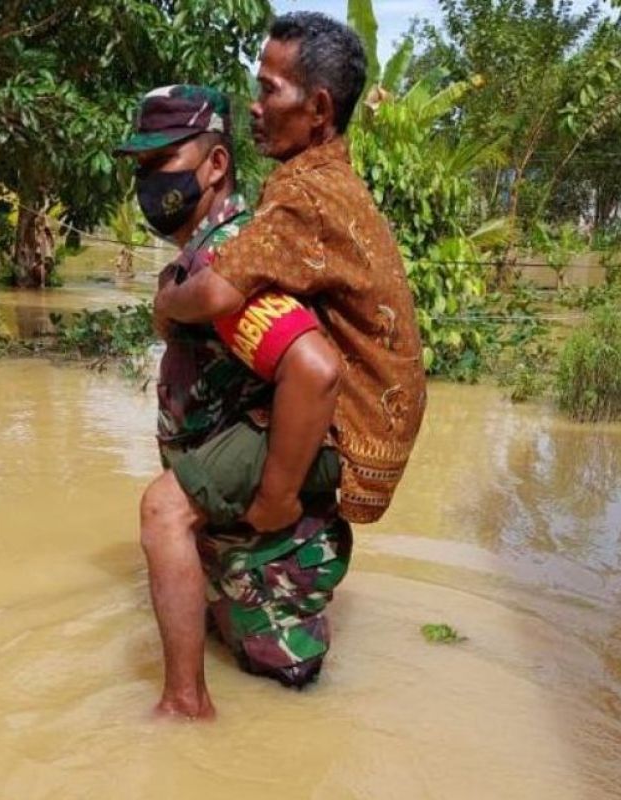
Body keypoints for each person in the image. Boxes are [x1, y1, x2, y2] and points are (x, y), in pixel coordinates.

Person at [115, 85, 352, 720]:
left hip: (275, 556)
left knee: (162, 511)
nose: (146, 183)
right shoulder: (202, 262)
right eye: (139, 168)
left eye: (160, 163)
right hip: (234, 543)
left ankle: (184, 707)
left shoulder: (232, 261)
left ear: (215, 165)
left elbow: (315, 370)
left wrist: (274, 498)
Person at [155, 12, 427, 526]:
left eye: (269, 91)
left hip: (350, 426)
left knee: (162, 512)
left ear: (319, 108)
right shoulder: (332, 180)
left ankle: (276, 505)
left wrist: (167, 301)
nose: (255, 108)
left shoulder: (303, 193)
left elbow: (216, 294)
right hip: (380, 422)